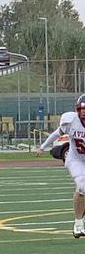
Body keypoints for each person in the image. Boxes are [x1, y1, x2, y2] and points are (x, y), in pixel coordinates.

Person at [37, 94, 85, 237]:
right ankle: (78, 223)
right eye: (81, 109)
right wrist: (43, 146)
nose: (83, 112)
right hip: (75, 158)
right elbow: (56, 134)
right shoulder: (71, 121)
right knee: (82, 186)